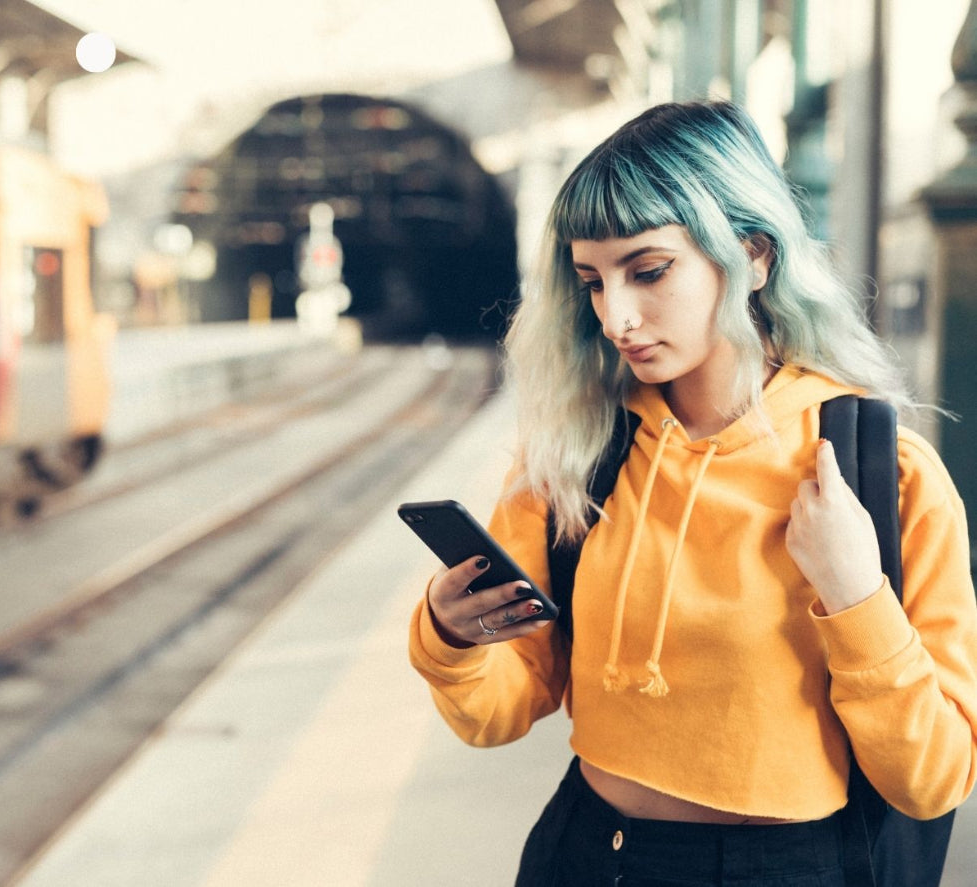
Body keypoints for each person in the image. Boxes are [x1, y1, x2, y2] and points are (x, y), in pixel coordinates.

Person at [407, 101, 977, 886]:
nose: (616, 316)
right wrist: (452, 635)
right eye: (592, 281)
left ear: (754, 255)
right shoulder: (578, 460)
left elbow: (935, 776)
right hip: (584, 852)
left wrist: (855, 595)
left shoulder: (883, 476)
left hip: (789, 867)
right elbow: (501, 710)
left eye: (648, 271)